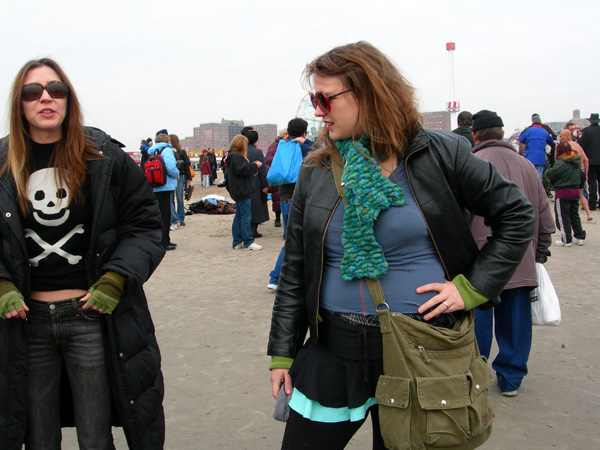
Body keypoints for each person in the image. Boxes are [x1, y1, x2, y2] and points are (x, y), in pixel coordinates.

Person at [267, 41, 534, 449]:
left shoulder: (440, 153)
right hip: (334, 348)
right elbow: (296, 266)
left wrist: (473, 287)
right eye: (313, 99)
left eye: (325, 98)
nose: (318, 110)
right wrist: (283, 353)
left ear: (369, 93)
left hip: (423, 349)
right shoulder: (316, 168)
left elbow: (516, 215)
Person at [0, 58, 165, 449]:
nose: (45, 98)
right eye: (32, 91)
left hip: (91, 315)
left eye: (56, 90)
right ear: (19, 103)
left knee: (95, 435)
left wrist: (116, 279)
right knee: (38, 435)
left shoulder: (103, 157)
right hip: (27, 321)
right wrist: (3, 283)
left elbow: (143, 225)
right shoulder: (4, 163)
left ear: (68, 100)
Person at [469, 110, 555, 398]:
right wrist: (538, 252)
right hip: (520, 257)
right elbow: (544, 214)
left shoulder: (470, 164)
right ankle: (511, 379)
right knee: (516, 322)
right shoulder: (528, 166)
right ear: (503, 133)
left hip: (479, 260)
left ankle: (475, 374)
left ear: (475, 136)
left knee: (477, 321)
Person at [266, 119, 314, 291]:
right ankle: (276, 278)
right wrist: (307, 143)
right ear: (304, 133)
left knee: (292, 240)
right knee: (298, 241)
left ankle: (281, 278)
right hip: (300, 201)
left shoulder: (282, 146)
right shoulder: (303, 148)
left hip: (285, 199)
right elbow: (327, 154)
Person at [226, 135, 263, 250]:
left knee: (239, 216)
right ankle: (247, 242)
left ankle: (237, 241)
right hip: (243, 191)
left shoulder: (231, 156)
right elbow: (244, 170)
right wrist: (255, 165)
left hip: (238, 191)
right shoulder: (237, 156)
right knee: (246, 216)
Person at [546, 142, 586, 246]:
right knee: (574, 215)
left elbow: (550, 174)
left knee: (563, 216)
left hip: (563, 191)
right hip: (575, 190)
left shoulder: (561, 163)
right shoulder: (576, 161)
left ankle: (566, 239)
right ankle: (579, 236)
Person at [147, 131, 179, 250]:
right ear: (167, 141)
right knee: (165, 215)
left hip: (155, 185)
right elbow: (171, 167)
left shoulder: (152, 151)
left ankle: (162, 240)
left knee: (159, 214)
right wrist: (177, 173)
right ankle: (164, 242)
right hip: (165, 185)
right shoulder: (167, 150)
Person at [559, 129, 593, 221]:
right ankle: (588, 213)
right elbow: (586, 160)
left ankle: (571, 215)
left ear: (566, 136)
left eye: (561, 136)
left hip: (573, 173)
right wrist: (585, 173)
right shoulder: (577, 145)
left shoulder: (566, 146)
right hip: (581, 171)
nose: (560, 138)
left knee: (570, 195)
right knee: (580, 194)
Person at [246, 130, 269, 238]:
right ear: (256, 140)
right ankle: (253, 230)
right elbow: (262, 171)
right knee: (257, 206)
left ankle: (246, 229)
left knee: (246, 206)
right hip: (256, 182)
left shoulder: (241, 151)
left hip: (244, 182)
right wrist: (265, 185)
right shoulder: (257, 152)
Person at [518, 113, 555, 181]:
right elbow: (551, 142)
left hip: (529, 157)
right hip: (540, 157)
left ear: (532, 121)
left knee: (529, 178)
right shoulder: (545, 132)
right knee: (539, 179)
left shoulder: (527, 131)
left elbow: (521, 140)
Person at [265, 128, 288, 228]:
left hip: (286, 176)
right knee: (277, 198)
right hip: (278, 177)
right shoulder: (274, 146)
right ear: (284, 135)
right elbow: (268, 162)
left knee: (285, 198)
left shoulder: (288, 145)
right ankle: (278, 218)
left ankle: (285, 218)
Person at [578, 113, 600, 210]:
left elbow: (581, 145)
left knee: (592, 182)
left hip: (591, 160)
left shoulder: (586, 131)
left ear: (590, 121)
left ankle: (592, 203)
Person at [170, 133, 192, 229]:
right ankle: (175, 218)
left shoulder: (181, 151)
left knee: (179, 198)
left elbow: (187, 165)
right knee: (173, 199)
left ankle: (180, 218)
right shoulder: (169, 151)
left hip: (179, 175)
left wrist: (189, 178)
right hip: (174, 176)